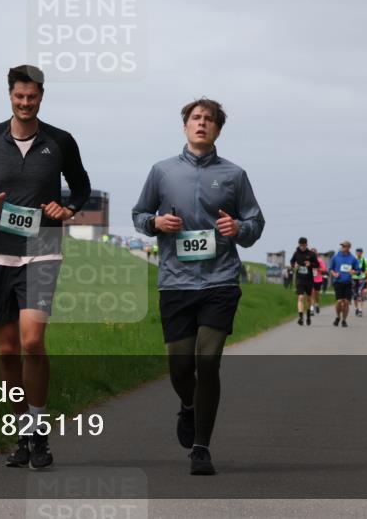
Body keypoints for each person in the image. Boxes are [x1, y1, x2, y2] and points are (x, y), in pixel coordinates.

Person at [0, 64, 91, 470]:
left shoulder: (60, 141)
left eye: (32, 97)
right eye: (19, 97)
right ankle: (22, 434)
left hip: (43, 247)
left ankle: (40, 429)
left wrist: (67, 208)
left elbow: (81, 187)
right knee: (8, 350)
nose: (25, 103)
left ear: (41, 97)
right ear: (10, 96)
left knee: (32, 341)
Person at [132, 97, 265, 475]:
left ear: (218, 129)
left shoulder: (235, 175)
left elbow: (255, 223)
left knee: (207, 362)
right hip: (175, 282)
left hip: (220, 280)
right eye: (195, 118)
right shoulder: (162, 172)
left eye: (209, 119)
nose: (202, 123)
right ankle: (188, 407)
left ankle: (201, 448)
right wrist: (155, 225)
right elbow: (139, 214)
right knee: (179, 367)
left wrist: (238, 229)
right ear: (185, 126)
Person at [329, 241, 360, 328]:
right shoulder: (335, 257)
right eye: (342, 246)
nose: (342, 247)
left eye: (344, 246)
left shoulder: (353, 259)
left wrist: (354, 271)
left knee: (346, 302)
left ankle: (344, 320)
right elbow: (330, 268)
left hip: (348, 282)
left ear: (348, 247)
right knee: (339, 301)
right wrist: (334, 274)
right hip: (338, 282)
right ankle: (338, 317)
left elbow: (358, 271)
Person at [289, 237, 317, 326]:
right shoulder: (296, 253)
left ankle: (308, 316)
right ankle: (301, 317)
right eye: (301, 245)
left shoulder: (311, 254)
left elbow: (317, 264)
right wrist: (294, 265)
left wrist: (310, 264)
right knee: (300, 297)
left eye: (304, 245)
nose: (302, 247)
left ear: (306, 244)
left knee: (308, 299)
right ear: (299, 245)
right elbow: (292, 262)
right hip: (300, 279)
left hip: (309, 279)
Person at [352, 247, 367, 317]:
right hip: (353, 279)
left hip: (361, 279)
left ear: (362, 253)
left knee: (360, 294)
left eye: (360, 252)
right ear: (356, 253)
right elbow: (350, 268)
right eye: (357, 252)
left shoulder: (364, 260)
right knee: (354, 296)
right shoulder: (353, 260)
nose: (358, 253)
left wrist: (365, 272)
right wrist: (352, 272)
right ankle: (357, 308)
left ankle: (360, 310)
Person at [310, 247, 325, 315]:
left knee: (317, 294)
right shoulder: (308, 261)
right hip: (310, 279)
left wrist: (317, 268)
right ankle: (312, 309)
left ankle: (317, 304)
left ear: (316, 253)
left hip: (318, 279)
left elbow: (324, 269)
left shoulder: (320, 260)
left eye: (314, 252)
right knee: (311, 293)